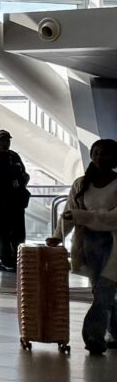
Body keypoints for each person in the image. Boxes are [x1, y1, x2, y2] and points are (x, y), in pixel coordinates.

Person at [67, 138, 117, 354]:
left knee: (105, 291)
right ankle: (114, 331)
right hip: (90, 243)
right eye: (96, 152)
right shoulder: (81, 183)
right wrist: (57, 235)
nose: (99, 157)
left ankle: (93, 336)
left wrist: (84, 216)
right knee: (102, 291)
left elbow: (113, 219)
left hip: (113, 243)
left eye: (105, 153)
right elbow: (70, 212)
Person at [0, 131, 31, 272]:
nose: (6, 143)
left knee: (18, 233)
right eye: (2, 141)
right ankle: (7, 261)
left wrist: (20, 182)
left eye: (7, 140)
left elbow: (23, 173)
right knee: (2, 233)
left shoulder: (13, 156)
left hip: (16, 200)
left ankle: (19, 259)